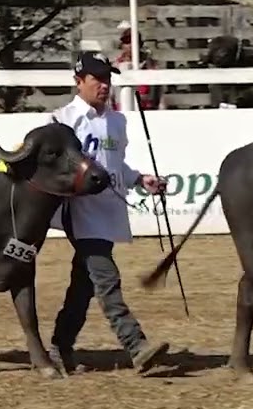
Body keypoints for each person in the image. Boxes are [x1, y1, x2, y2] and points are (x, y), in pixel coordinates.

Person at [48, 52, 171, 374]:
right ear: (79, 81)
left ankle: (59, 346)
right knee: (106, 279)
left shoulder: (118, 121)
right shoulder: (63, 120)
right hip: (82, 211)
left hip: (110, 211)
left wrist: (140, 179)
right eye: (96, 79)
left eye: (107, 79)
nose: (104, 86)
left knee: (83, 287)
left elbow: (117, 165)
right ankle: (137, 345)